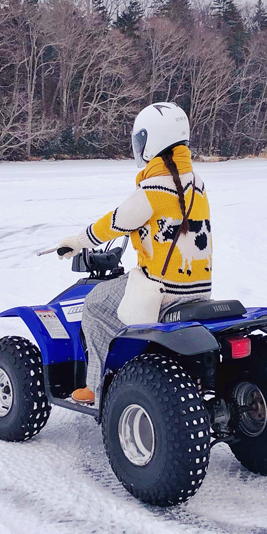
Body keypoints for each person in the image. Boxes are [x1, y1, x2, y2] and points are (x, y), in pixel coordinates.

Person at [53, 102, 212, 405]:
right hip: (200, 290)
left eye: (140, 140)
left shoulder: (153, 189)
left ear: (152, 142)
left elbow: (113, 223)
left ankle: (94, 387)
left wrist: (77, 241)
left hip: (164, 290)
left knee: (96, 303)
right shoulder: (199, 183)